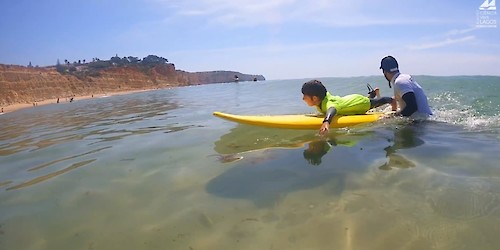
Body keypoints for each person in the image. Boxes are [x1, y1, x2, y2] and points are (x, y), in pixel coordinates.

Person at [301, 80, 396, 135]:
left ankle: (392, 100)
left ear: (314, 98)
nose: (303, 98)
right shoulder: (320, 101)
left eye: (305, 96)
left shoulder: (328, 103)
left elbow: (332, 109)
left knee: (377, 102)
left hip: (359, 103)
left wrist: (326, 122)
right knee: (371, 101)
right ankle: (373, 94)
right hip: (350, 100)